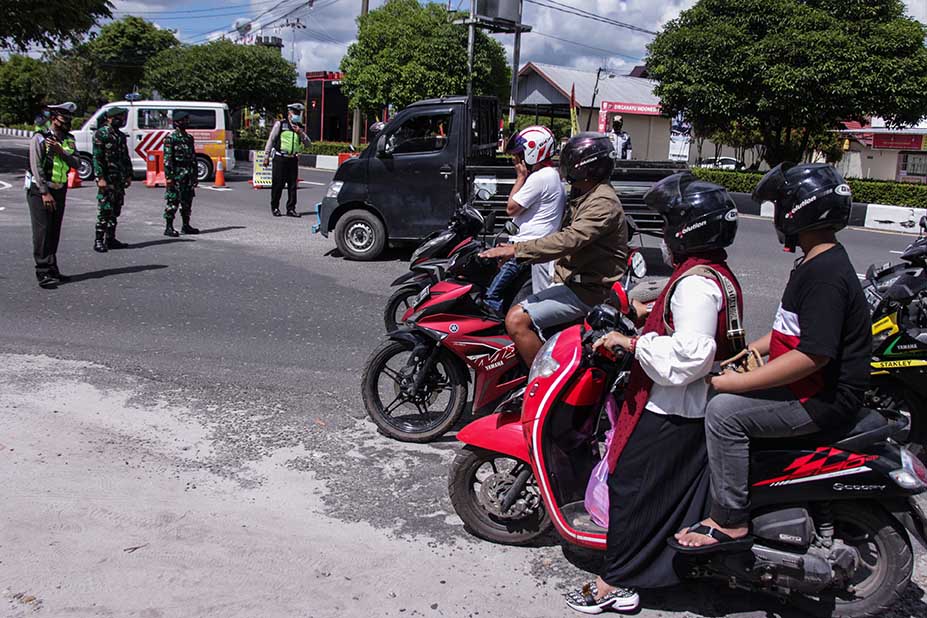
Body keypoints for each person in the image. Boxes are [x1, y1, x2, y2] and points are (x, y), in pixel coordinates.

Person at [564, 173, 742, 614]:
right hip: (693, 406)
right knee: (661, 493)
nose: (663, 234)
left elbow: (692, 354)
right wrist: (645, 314)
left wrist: (632, 342)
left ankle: (615, 583)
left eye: (667, 223)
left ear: (687, 229)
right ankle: (654, 569)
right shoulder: (713, 272)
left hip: (673, 407)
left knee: (631, 487)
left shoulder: (696, 284)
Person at [673, 163, 870, 552]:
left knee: (722, 412)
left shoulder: (825, 274)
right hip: (813, 389)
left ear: (798, 212)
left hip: (821, 400)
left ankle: (729, 519)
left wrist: (736, 382)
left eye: (782, 206)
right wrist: (751, 351)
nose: (778, 216)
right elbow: (790, 330)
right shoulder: (818, 261)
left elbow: (812, 356)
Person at [479, 132, 627, 365]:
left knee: (516, 320)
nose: (566, 166)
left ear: (587, 167)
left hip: (588, 290)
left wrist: (515, 251)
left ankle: (542, 384)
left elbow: (569, 239)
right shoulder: (585, 194)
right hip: (572, 280)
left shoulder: (602, 202)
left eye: (572, 162)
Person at [482, 125, 565, 314]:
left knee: (491, 296)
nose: (516, 159)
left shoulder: (541, 178)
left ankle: (500, 332)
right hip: (531, 247)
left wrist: (520, 177)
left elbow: (511, 208)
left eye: (520, 154)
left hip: (524, 250)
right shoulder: (550, 175)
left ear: (534, 151)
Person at [25, 103, 80, 288]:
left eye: (69, 119)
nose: (68, 123)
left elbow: (77, 163)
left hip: (60, 189)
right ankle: (42, 272)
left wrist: (60, 151)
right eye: (64, 119)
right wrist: (44, 193)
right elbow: (36, 167)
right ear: (54, 119)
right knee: (42, 231)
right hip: (41, 191)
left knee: (54, 230)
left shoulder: (69, 140)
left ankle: (52, 268)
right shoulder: (40, 138)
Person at [92, 106, 132, 252]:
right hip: (107, 179)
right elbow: (97, 158)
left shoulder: (120, 136)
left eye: (122, 117)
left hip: (119, 179)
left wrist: (128, 174)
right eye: (117, 117)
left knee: (115, 209)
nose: (120, 120)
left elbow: (125, 157)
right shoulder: (101, 134)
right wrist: (100, 177)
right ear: (109, 118)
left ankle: (111, 238)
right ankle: (98, 240)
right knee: (105, 209)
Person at [263, 102, 311, 217]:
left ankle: (291, 209)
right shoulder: (280, 124)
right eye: (295, 112)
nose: (297, 115)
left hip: (293, 159)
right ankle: (275, 207)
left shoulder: (300, 127)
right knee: (278, 185)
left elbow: (308, 144)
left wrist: (301, 133)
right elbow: (271, 140)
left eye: (298, 113)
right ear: (289, 113)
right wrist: (266, 156)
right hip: (280, 158)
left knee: (293, 186)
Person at [163, 110, 199, 237]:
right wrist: (169, 177)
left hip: (188, 175)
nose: (186, 122)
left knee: (187, 201)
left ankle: (186, 225)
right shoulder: (171, 139)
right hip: (177, 174)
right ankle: (169, 227)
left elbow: (193, 158)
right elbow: (168, 159)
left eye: (187, 120)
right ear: (177, 122)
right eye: (184, 120)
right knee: (173, 201)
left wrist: (195, 176)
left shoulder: (189, 138)